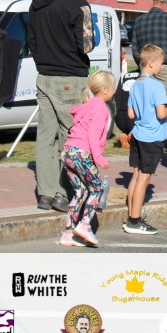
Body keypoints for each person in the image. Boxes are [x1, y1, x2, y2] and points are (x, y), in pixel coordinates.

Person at [27, 0, 96, 212]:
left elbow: (31, 40)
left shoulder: (38, 2)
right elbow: (87, 45)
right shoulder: (80, 5)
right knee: (72, 136)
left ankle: (45, 193)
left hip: (44, 75)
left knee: (45, 137)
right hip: (70, 77)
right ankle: (64, 192)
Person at [59, 70, 113, 247]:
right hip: (81, 153)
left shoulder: (88, 105)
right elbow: (93, 134)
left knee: (80, 192)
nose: (114, 90)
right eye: (113, 87)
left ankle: (68, 233)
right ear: (104, 90)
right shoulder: (100, 107)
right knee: (96, 188)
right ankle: (84, 225)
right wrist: (98, 157)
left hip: (68, 152)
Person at [124, 44, 167, 234]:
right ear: (151, 63)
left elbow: (131, 114)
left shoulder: (135, 85)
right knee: (144, 179)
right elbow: (161, 114)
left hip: (138, 134)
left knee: (136, 175)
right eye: (161, 63)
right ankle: (135, 221)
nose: (162, 67)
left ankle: (130, 215)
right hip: (152, 138)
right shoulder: (157, 86)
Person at [131, 0, 167, 139]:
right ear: (164, 3)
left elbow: (135, 48)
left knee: (147, 103)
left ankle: (145, 137)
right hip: (166, 67)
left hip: (146, 68)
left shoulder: (139, 20)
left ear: (154, 1)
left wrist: (142, 65)